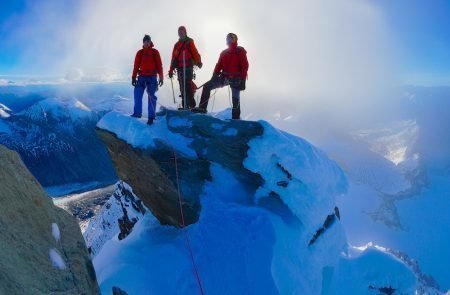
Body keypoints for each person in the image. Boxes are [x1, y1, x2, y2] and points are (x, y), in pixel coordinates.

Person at [194, 33, 248, 120]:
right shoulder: (224, 52)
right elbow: (218, 65)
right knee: (207, 86)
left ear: (235, 39)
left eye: (231, 38)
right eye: (228, 38)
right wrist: (214, 76)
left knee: (235, 98)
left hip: (236, 79)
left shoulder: (240, 51)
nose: (229, 40)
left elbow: (244, 66)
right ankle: (202, 108)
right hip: (225, 78)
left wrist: (243, 80)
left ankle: (236, 118)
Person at [131, 34, 164, 125]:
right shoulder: (140, 53)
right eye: (145, 41)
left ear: (150, 42)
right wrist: (133, 77)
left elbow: (159, 66)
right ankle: (137, 113)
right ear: (143, 42)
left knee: (151, 96)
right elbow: (136, 66)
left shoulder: (155, 52)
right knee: (137, 93)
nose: (146, 43)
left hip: (152, 77)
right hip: (141, 77)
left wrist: (161, 78)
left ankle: (151, 117)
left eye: (148, 41)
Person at [168, 26, 202, 109]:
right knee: (182, 87)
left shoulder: (189, 42)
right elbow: (173, 58)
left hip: (188, 68)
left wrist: (198, 62)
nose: (180, 33)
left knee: (187, 86)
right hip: (180, 69)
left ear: (185, 32)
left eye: (182, 31)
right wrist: (171, 70)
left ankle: (192, 105)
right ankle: (185, 106)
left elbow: (195, 52)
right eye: (179, 31)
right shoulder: (176, 45)